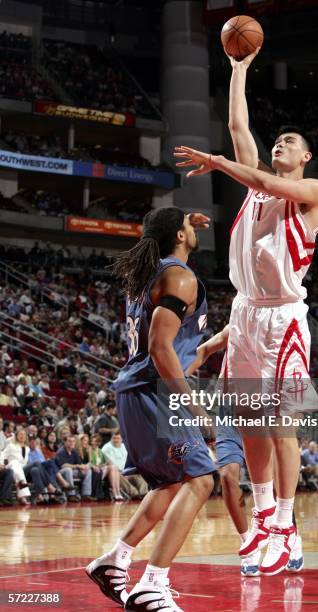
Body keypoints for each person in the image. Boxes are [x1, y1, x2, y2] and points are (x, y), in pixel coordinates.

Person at [174, 47, 318, 575]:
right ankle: (265, 519)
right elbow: (239, 127)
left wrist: (219, 164)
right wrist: (238, 70)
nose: (280, 144)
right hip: (244, 316)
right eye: (277, 140)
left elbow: (259, 177)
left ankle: (287, 524)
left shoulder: (309, 192)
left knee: (281, 426)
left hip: (282, 317)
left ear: (304, 157)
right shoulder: (254, 193)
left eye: (290, 142)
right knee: (250, 425)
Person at [86, 207, 216, 611]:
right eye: (186, 229)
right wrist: (192, 402)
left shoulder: (151, 273)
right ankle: (152, 585)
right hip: (156, 392)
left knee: (170, 482)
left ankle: (115, 561)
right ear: (179, 236)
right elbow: (161, 348)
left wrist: (180, 224)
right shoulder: (180, 276)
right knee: (201, 480)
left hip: (134, 390)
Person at [186, 324, 304, 576]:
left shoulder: (275, 324)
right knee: (228, 475)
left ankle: (289, 534)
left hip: (262, 407)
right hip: (229, 409)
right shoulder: (238, 324)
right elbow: (205, 349)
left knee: (275, 485)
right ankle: (247, 544)